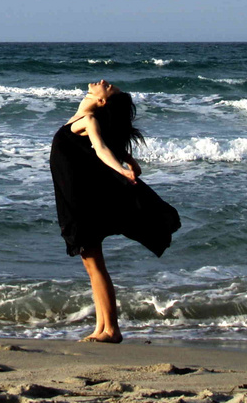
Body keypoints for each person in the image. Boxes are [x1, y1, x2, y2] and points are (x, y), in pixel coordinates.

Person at [48, 79, 180, 343]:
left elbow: (101, 148)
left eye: (110, 88)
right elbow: (106, 146)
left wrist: (121, 168)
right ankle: (103, 328)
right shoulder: (81, 116)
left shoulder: (88, 119)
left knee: (94, 265)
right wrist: (129, 160)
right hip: (72, 197)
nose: (105, 82)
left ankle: (111, 330)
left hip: (80, 201)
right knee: (92, 265)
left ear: (102, 101)